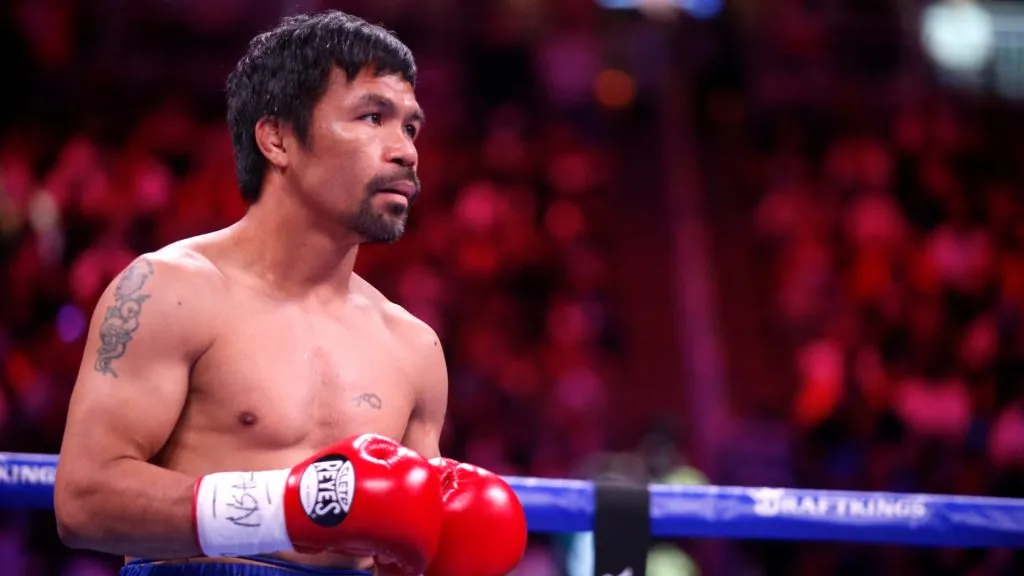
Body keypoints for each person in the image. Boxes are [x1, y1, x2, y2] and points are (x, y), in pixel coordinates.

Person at [52, 10, 527, 576]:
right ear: (277, 138)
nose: (406, 151)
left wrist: (439, 551)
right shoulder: (170, 290)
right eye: (373, 117)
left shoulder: (413, 347)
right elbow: (84, 500)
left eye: (410, 127)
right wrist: (287, 510)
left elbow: (401, 552)